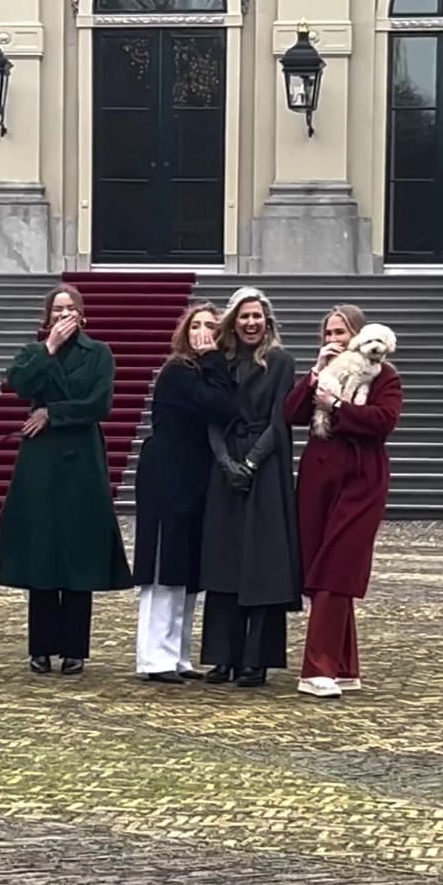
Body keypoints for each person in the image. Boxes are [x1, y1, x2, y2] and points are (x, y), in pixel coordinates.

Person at [0, 284, 132, 675]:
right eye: (57, 309)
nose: (64, 314)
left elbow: (100, 403)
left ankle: (74, 648)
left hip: (81, 460)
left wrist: (52, 413)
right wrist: (50, 348)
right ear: (47, 317)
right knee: (42, 550)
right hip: (41, 461)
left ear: (82, 315)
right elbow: (20, 384)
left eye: (70, 308)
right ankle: (40, 647)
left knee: (79, 551)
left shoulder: (99, 353)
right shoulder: (34, 352)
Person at [284, 304, 403, 699]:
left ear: (359, 335)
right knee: (319, 565)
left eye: (340, 332)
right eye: (328, 333)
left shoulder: (385, 375)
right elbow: (291, 414)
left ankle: (317, 668)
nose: (333, 339)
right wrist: (316, 373)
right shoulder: (323, 372)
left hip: (361, 478)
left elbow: (383, 421)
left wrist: (336, 406)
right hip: (318, 478)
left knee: (338, 567)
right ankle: (344, 665)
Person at [199, 287, 300, 688]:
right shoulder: (220, 362)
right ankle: (222, 656)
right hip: (224, 463)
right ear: (233, 322)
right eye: (244, 316)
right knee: (224, 560)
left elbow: (280, 420)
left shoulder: (281, 362)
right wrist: (225, 462)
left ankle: (257, 658)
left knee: (263, 561)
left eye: (257, 316)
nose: (251, 322)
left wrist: (252, 462)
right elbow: (211, 416)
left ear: (267, 320)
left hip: (266, 465)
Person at [133, 302, 237, 684]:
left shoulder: (209, 370)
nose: (203, 333)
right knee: (165, 563)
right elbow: (219, 407)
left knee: (187, 566)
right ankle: (154, 656)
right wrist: (213, 361)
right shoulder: (178, 371)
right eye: (196, 326)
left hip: (196, 473)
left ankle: (178, 654)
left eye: (211, 326)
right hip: (167, 472)